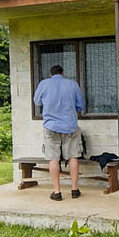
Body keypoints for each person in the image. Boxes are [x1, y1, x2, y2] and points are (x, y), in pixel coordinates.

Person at [32, 64, 85, 200]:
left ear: (51, 74)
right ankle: (74, 190)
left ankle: (57, 192)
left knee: (53, 158)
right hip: (70, 126)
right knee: (73, 156)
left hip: (51, 126)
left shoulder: (44, 84)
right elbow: (81, 105)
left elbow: (37, 102)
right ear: (63, 73)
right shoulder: (72, 84)